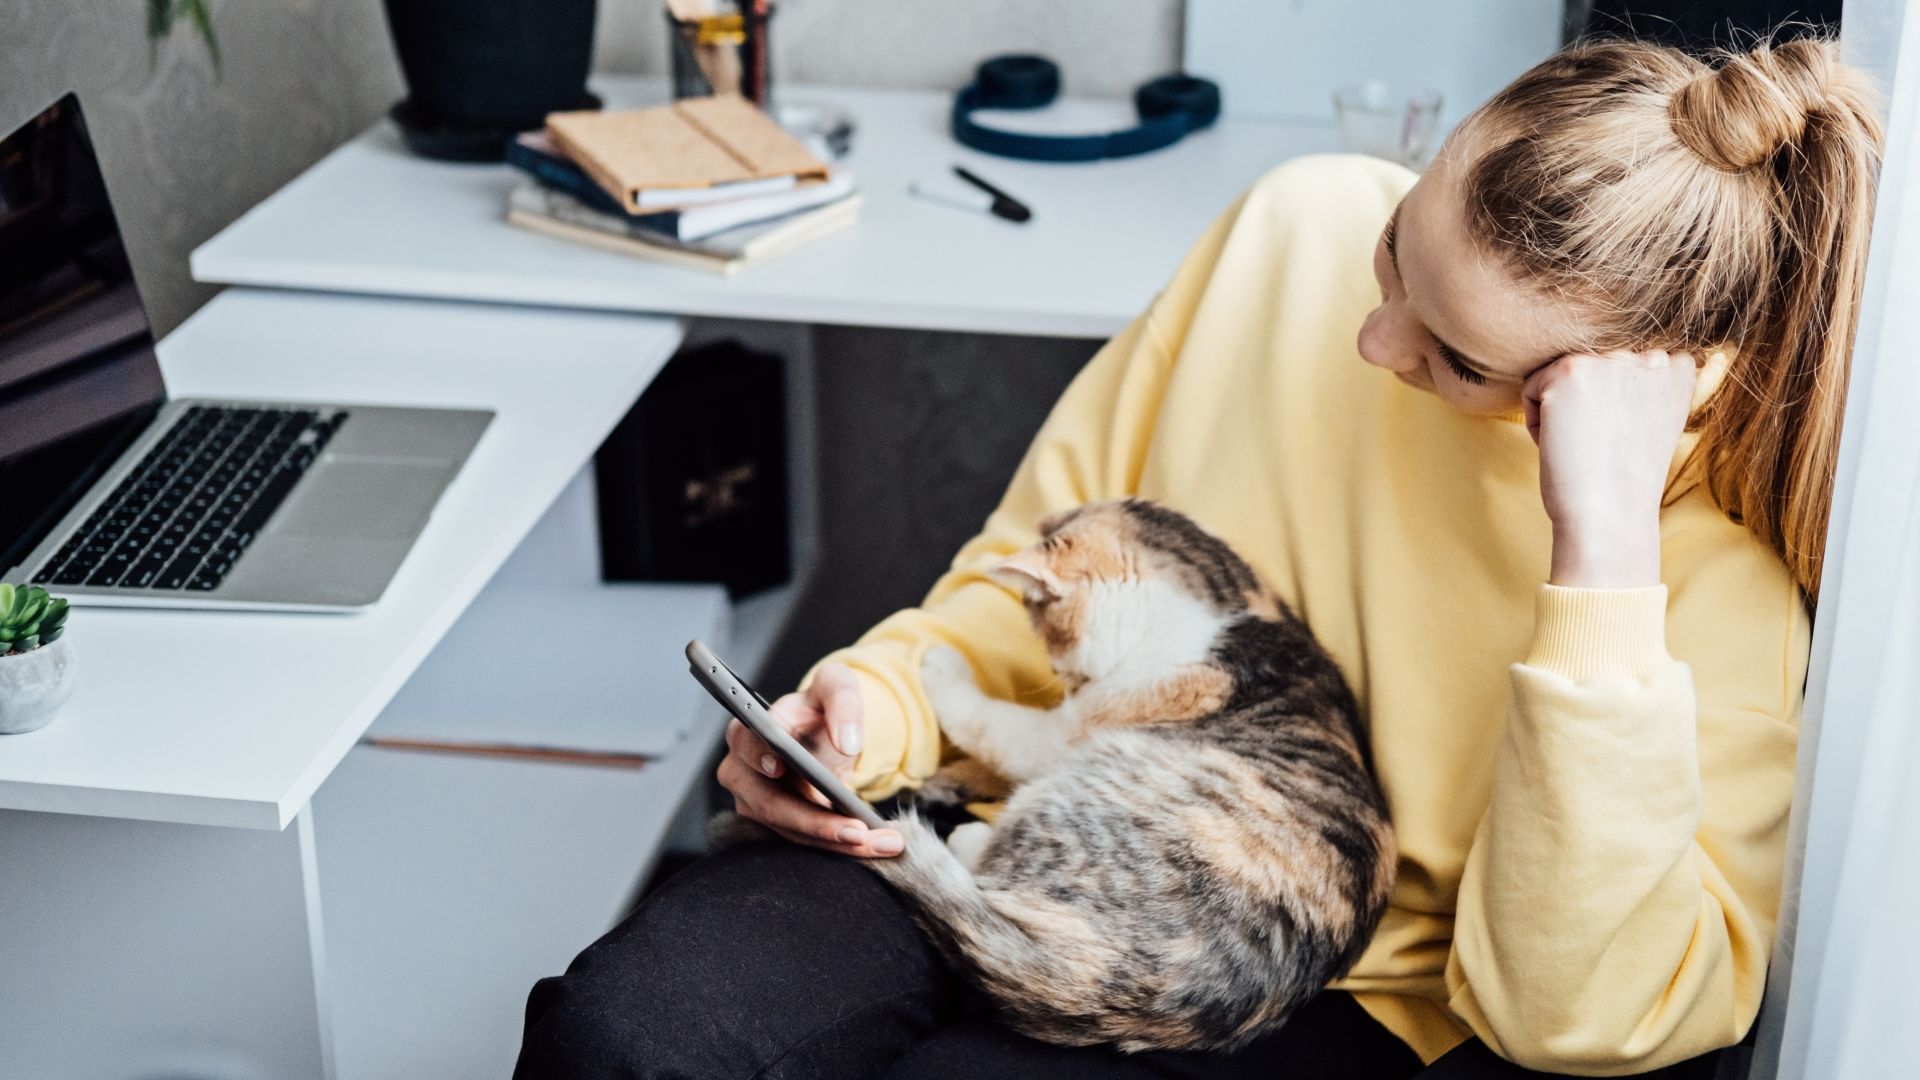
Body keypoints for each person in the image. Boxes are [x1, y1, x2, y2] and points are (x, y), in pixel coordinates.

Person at [513, 34, 1882, 1080]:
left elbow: (1570, 1016)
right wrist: (885, 704)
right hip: (1030, 821)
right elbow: (1035, 567)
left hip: (1307, 993)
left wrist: (1598, 565)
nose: (1374, 344)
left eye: (1455, 361)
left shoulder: (1709, 594)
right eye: (1394, 255)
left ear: (1628, 388)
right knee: (627, 1034)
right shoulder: (1294, 228)